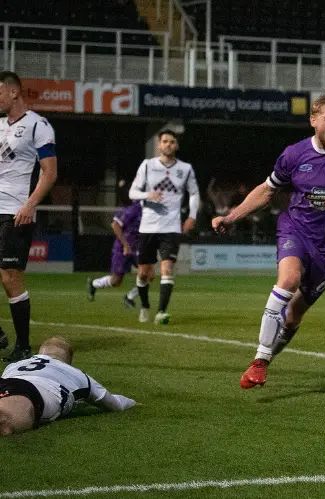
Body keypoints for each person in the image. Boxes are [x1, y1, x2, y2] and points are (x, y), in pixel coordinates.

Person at [212, 94, 325, 390]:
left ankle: (265, 361)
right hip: (296, 229)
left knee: (293, 317)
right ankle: (260, 358)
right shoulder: (294, 154)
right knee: (288, 278)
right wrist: (231, 217)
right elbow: (266, 191)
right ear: (314, 120)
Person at [0, 71, 58, 363]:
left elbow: (50, 172)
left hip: (16, 212)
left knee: (10, 277)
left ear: (13, 92)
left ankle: (22, 345)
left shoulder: (39, 125)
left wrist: (30, 204)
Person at [128, 130, 200, 325]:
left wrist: (192, 216)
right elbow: (132, 192)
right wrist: (147, 195)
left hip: (171, 226)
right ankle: (144, 306)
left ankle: (161, 312)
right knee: (143, 273)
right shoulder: (147, 165)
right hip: (148, 226)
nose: (168, 145)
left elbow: (194, 193)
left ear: (176, 146)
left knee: (167, 268)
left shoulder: (185, 169)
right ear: (159, 145)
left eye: (172, 142)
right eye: (165, 141)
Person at [0, 336, 136, 435]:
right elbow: (115, 404)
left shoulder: (15, 365)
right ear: (67, 361)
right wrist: (133, 403)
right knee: (5, 423)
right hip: (32, 392)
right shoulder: (78, 375)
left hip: (10, 384)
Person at [87, 200, 142, 307]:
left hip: (138, 248)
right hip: (122, 248)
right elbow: (115, 224)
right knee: (116, 281)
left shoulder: (153, 212)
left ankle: (129, 297)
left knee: (148, 274)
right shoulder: (133, 210)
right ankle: (93, 284)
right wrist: (126, 245)